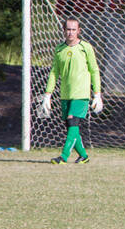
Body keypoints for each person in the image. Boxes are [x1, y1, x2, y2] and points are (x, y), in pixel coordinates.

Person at [39, 18, 102, 164]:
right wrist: (47, 95)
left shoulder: (85, 47)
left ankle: (63, 157)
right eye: (68, 29)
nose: (71, 32)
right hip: (65, 94)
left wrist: (97, 94)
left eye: (74, 29)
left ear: (79, 31)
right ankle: (84, 156)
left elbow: (94, 70)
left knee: (72, 121)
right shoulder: (59, 49)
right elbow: (54, 72)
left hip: (81, 94)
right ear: (64, 30)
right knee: (70, 127)